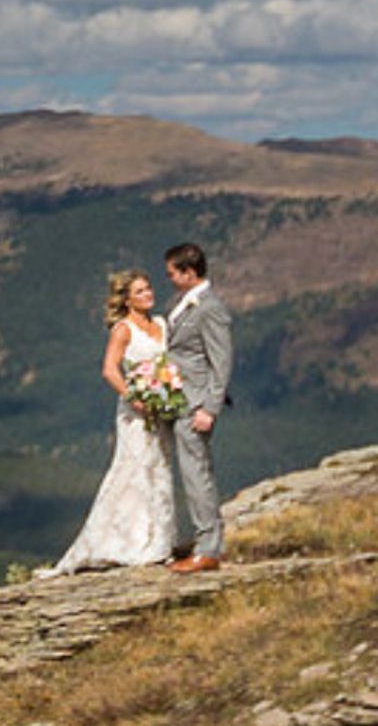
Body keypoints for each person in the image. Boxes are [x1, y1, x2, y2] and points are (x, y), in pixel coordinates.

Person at [42, 269, 182, 573]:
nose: (148, 294)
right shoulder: (123, 329)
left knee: (161, 468)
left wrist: (170, 387)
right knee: (135, 469)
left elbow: (169, 362)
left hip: (161, 408)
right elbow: (109, 369)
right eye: (140, 291)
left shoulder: (160, 323)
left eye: (149, 289)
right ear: (127, 299)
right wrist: (134, 396)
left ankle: (159, 540)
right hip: (135, 412)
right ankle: (127, 541)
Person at [159, 241, 235, 573]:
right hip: (181, 400)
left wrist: (210, 408)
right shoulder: (189, 304)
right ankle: (205, 542)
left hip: (196, 405)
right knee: (192, 473)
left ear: (189, 273)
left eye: (173, 273)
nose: (170, 279)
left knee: (196, 474)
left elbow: (222, 361)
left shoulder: (210, 308)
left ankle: (209, 549)